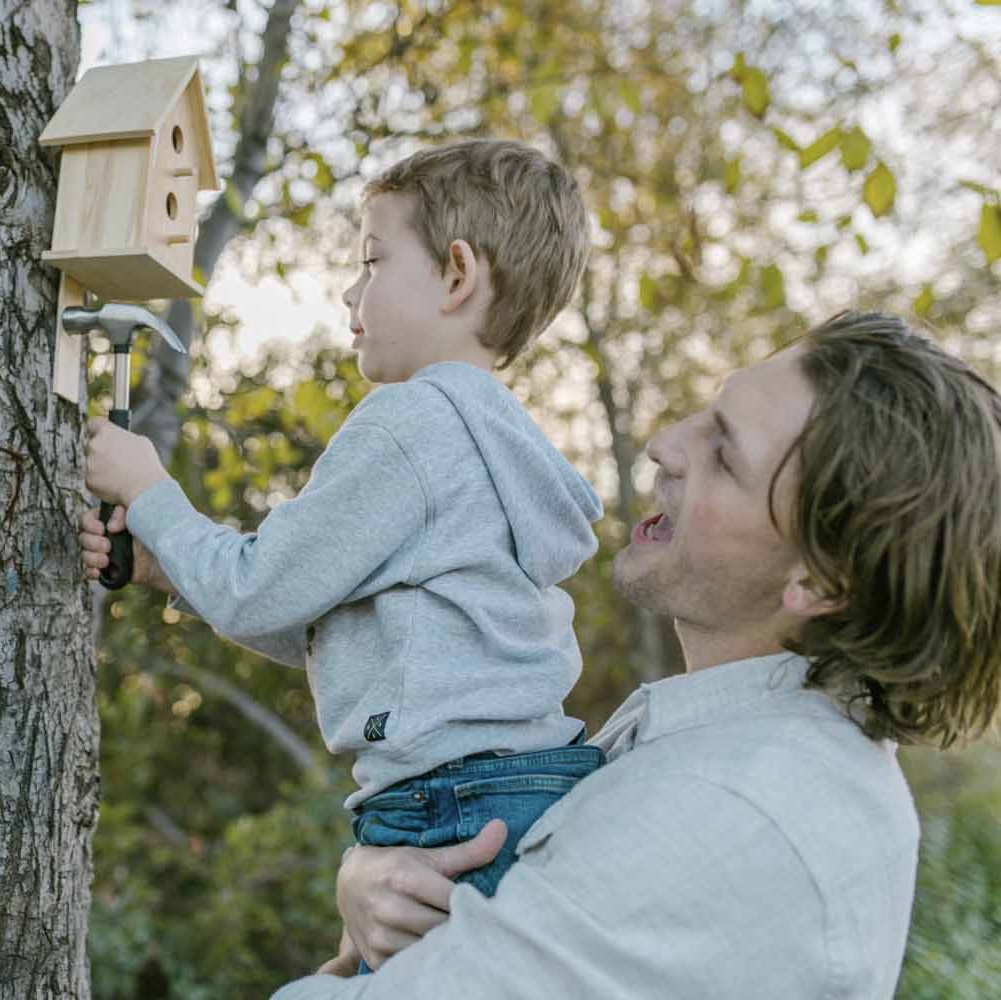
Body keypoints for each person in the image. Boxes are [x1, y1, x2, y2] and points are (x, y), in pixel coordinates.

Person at [270, 311, 1001, 999]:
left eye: (724, 454)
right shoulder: (709, 747)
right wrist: (371, 887)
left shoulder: (729, 810)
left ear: (821, 580)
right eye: (707, 414)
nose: (665, 444)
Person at [80, 139, 607, 900]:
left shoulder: (411, 421)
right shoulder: (491, 441)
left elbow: (258, 588)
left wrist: (148, 487)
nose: (348, 293)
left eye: (372, 261)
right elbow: (331, 625)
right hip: (517, 787)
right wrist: (169, 566)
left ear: (457, 274)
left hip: (447, 804)